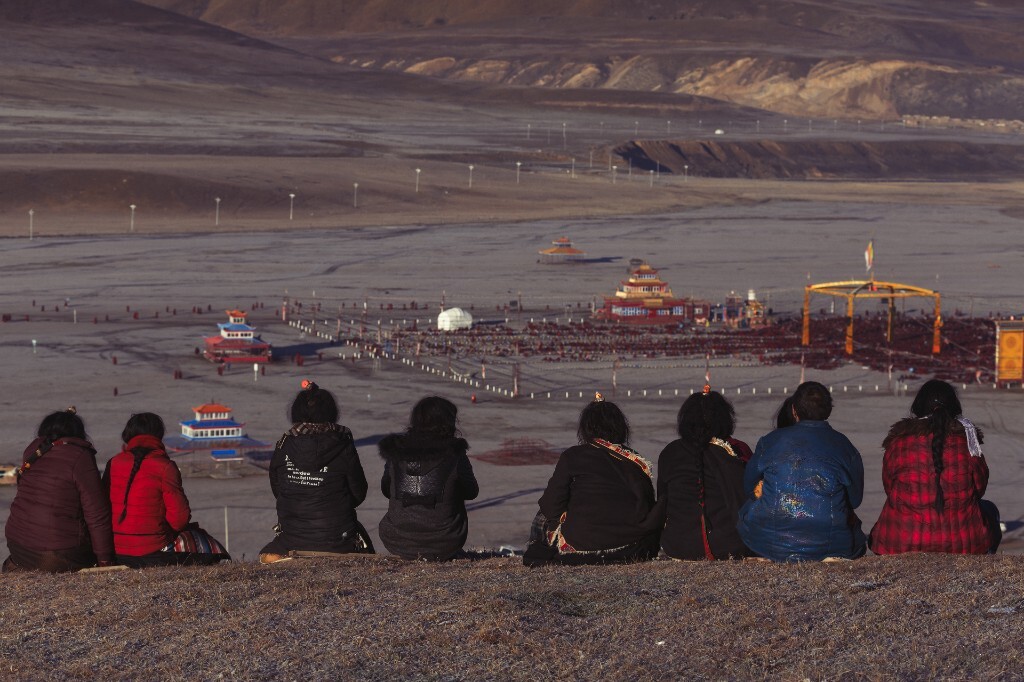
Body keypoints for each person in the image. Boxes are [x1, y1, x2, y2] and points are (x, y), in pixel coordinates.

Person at [523, 395, 663, 566]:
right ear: (620, 427)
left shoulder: (572, 456)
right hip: (630, 547)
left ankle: (537, 552)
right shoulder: (634, 460)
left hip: (579, 546)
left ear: (586, 428)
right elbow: (647, 503)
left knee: (543, 515)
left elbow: (551, 504)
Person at [737, 381, 867, 562]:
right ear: (828, 410)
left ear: (794, 410)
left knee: (744, 512)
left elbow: (749, 487)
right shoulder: (844, 445)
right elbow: (855, 500)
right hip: (832, 543)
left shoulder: (770, 441)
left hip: (770, 543)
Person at [869, 379, 1001, 554]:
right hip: (964, 543)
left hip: (902, 541)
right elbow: (979, 488)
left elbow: (889, 487)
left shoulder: (898, 442)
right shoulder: (968, 441)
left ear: (918, 407)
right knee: (989, 509)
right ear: (954, 408)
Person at [260, 380, 372, 563]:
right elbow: (358, 494)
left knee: (271, 551)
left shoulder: (284, 444)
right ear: (331, 412)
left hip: (292, 536)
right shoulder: (343, 444)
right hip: (338, 537)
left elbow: (278, 491)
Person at [104, 413, 229, 568]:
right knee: (205, 543)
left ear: (128, 435)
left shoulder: (113, 463)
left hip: (116, 549)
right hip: (151, 550)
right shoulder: (165, 466)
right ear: (158, 435)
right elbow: (179, 519)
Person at [3, 407, 114, 572]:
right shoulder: (80, 456)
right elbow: (96, 514)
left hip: (17, 545)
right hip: (56, 555)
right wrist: (105, 559)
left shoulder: (34, 450)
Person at [378, 396, 479, 560]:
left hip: (396, 539)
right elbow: (471, 492)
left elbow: (386, 489)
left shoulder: (396, 451)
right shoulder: (455, 453)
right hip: (445, 541)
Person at [658, 387, 752, 560]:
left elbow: (663, 502)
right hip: (726, 545)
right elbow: (744, 502)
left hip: (676, 545)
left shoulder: (669, 452)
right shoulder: (729, 452)